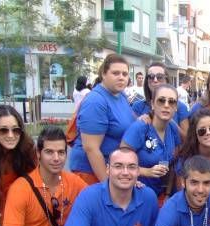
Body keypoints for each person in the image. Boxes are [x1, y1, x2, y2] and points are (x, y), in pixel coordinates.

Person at [69, 54, 135, 185]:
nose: (121, 77)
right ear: (103, 74)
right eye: (115, 73)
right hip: (91, 173)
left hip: (113, 169)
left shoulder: (120, 95)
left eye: (125, 74)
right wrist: (108, 185)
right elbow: (91, 149)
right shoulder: (96, 101)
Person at [121, 84, 180, 200]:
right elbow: (120, 163)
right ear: (152, 104)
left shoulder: (173, 129)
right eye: (161, 101)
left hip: (160, 196)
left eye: (171, 102)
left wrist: (167, 194)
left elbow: (172, 165)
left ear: (176, 107)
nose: (166, 105)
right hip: (135, 194)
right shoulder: (141, 127)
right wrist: (146, 171)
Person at [131, 62, 189, 137]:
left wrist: (168, 120)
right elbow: (131, 137)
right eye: (151, 76)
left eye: (159, 77)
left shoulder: (180, 107)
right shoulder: (138, 106)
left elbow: (186, 139)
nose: (155, 80)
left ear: (167, 80)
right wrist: (139, 123)